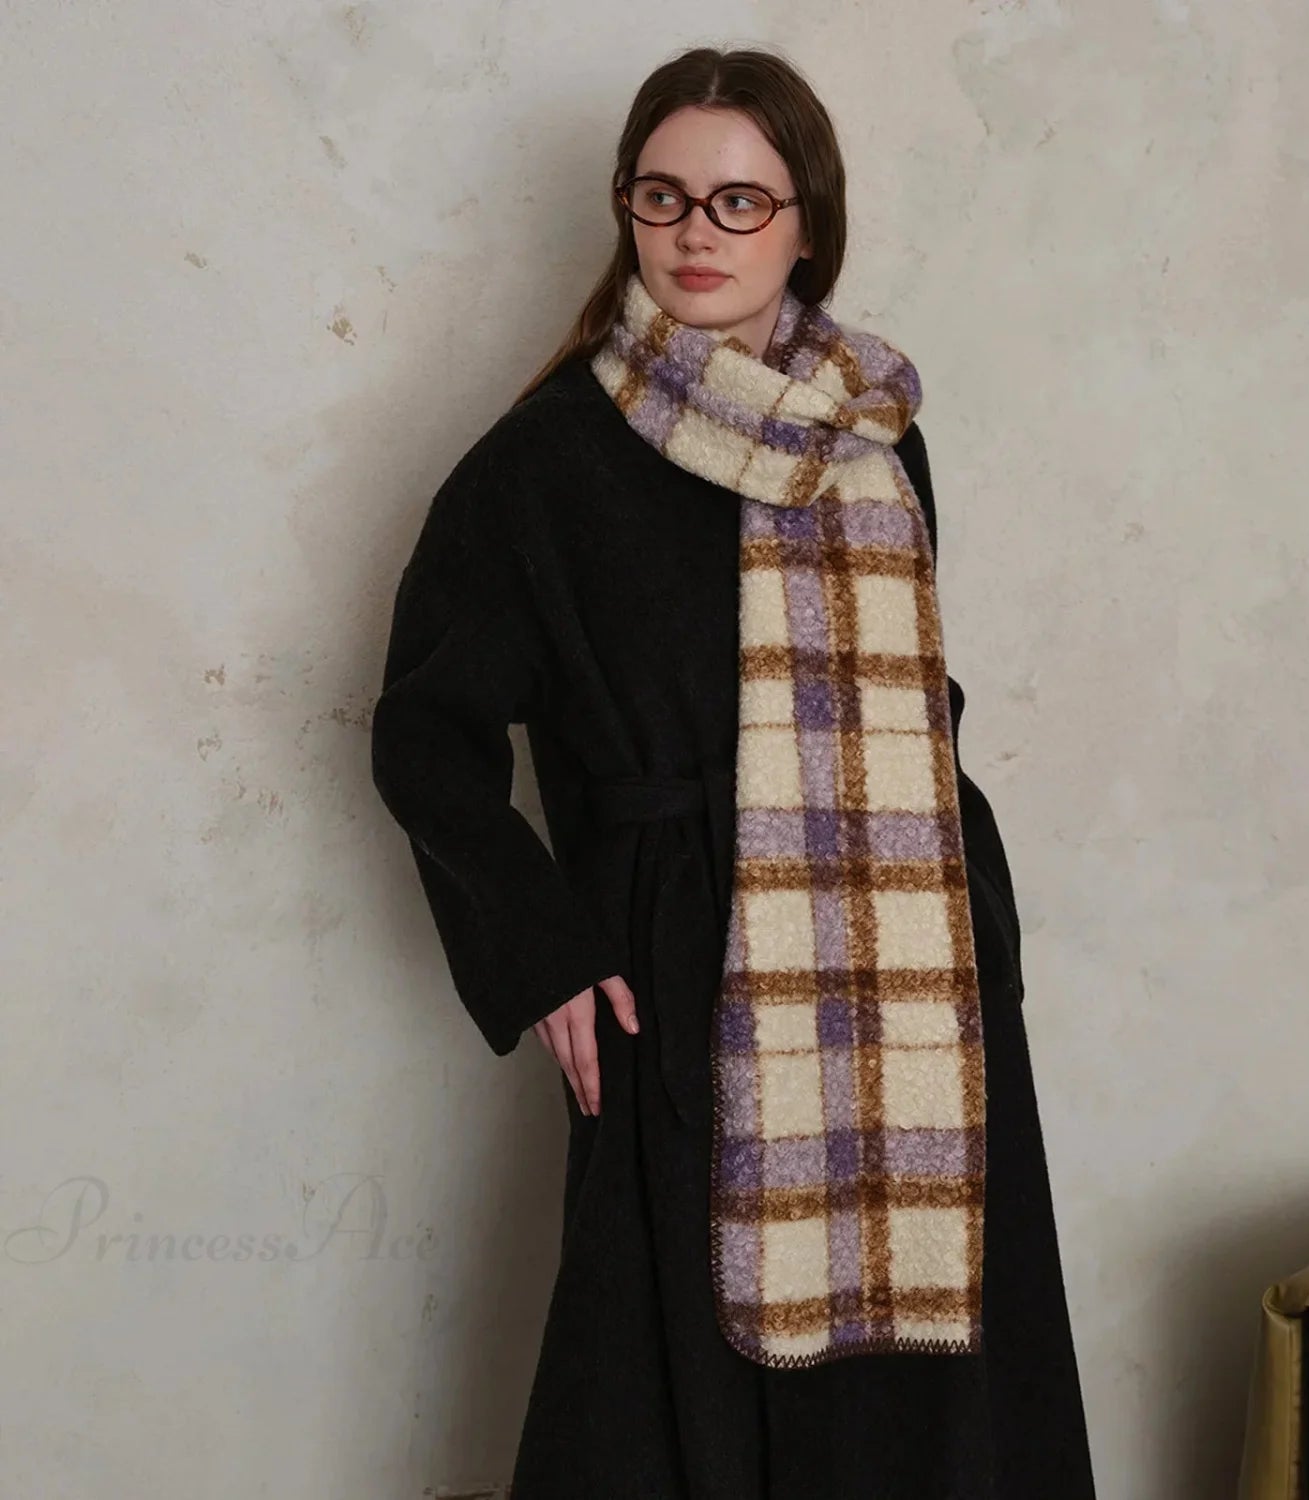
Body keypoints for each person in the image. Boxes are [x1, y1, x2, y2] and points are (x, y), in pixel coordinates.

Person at [370, 43, 1096, 1500]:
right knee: (668, 1375)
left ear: (806, 224)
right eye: (663, 195)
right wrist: (546, 955)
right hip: (681, 961)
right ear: (627, 208)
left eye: (739, 202)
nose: (696, 233)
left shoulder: (877, 442)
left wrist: (974, 906)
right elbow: (424, 734)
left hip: (915, 967)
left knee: (934, 1365)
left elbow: (915, 691)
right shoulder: (546, 463)